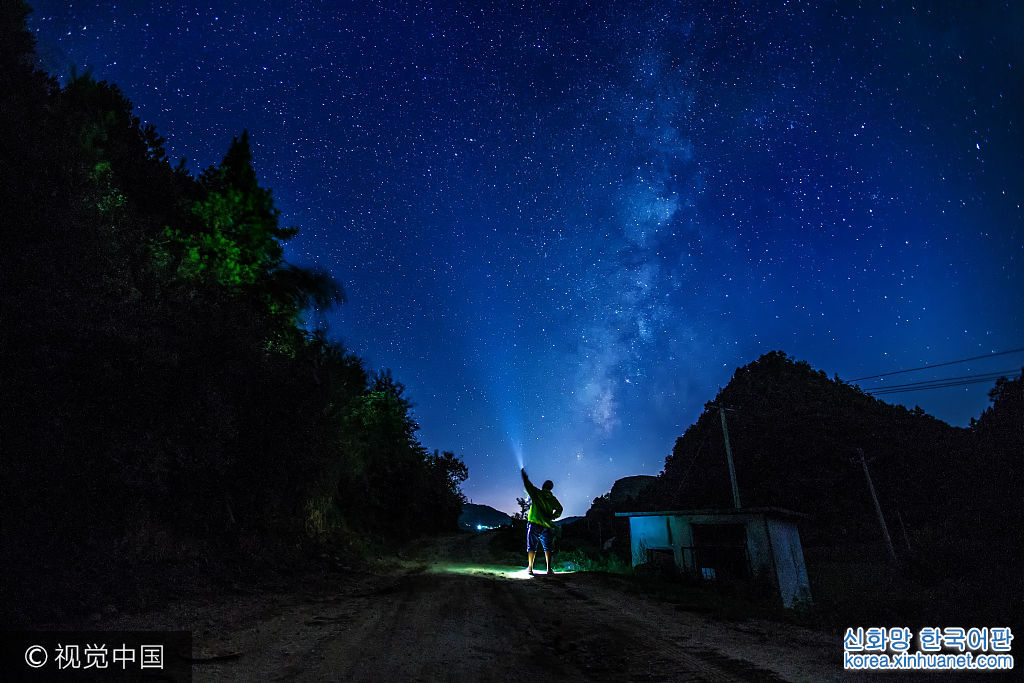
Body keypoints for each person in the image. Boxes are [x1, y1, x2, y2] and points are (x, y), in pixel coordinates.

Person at [520, 468, 563, 576]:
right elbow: (560, 509)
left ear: (543, 486)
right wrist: (553, 517)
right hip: (546, 526)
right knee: (547, 547)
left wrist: (525, 477)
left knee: (531, 546)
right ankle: (549, 569)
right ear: (551, 488)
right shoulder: (553, 499)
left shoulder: (537, 493)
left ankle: (530, 569)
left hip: (534, 524)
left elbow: (528, 485)